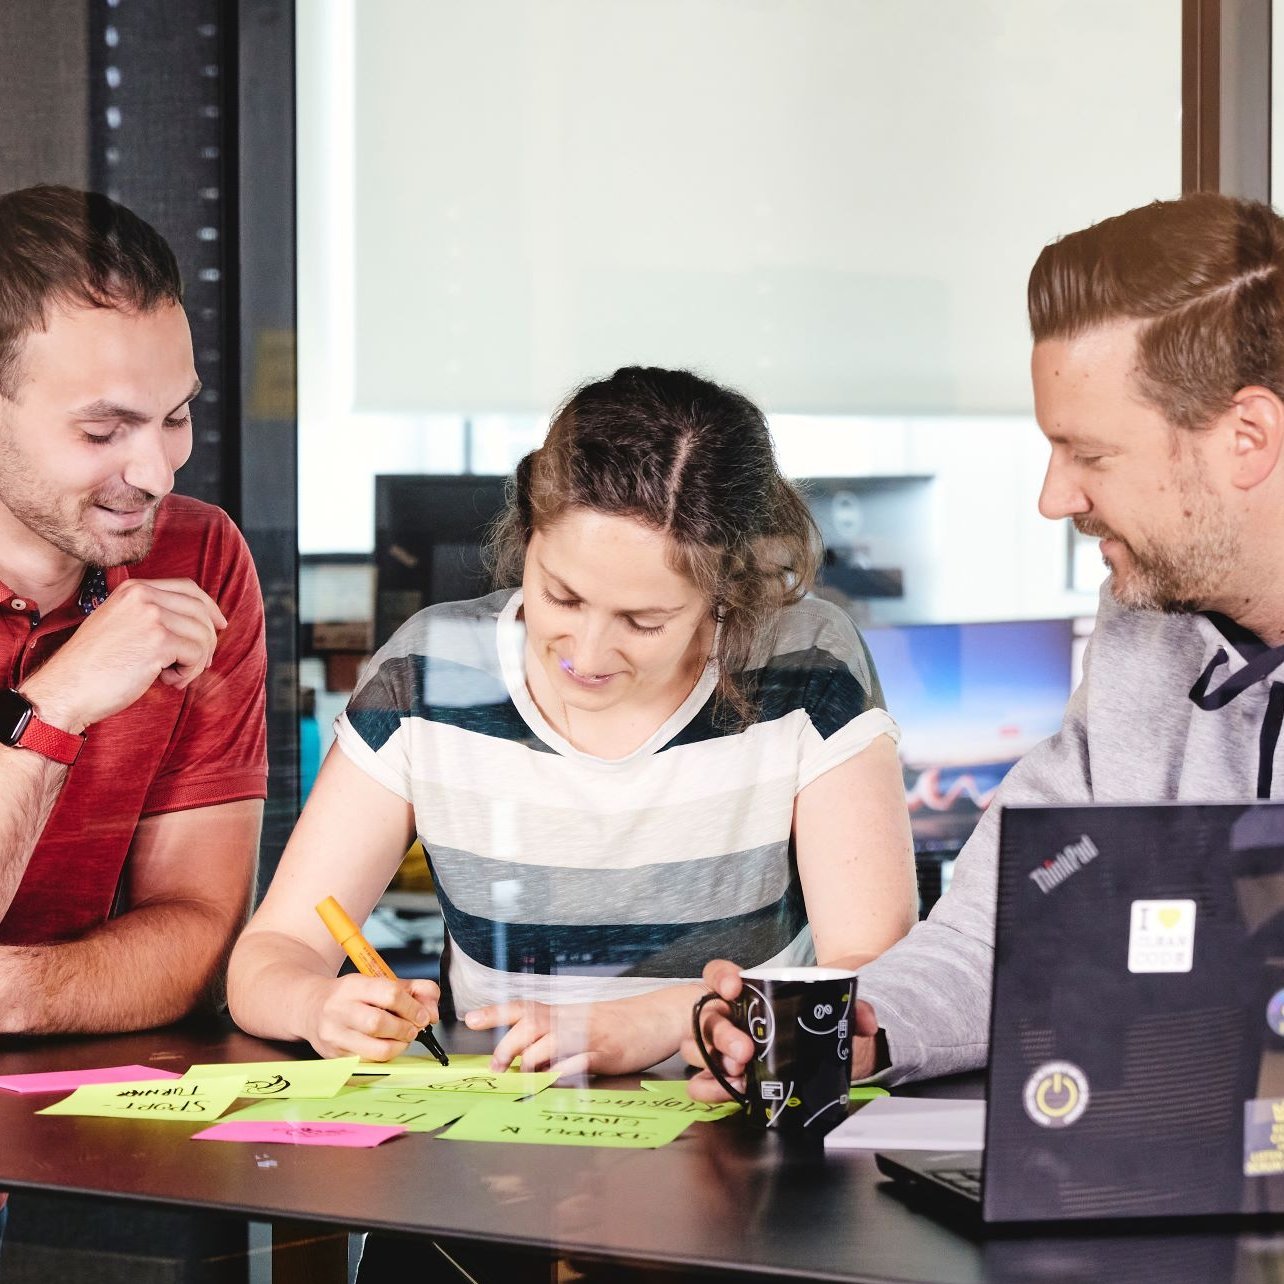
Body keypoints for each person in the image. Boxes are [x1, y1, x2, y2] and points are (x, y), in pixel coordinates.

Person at [687, 191, 1284, 1097]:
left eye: (1091, 454)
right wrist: (858, 1030)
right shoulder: (1146, 640)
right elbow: (1001, 930)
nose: (1055, 497)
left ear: (1247, 439)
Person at [228, 365, 917, 1074]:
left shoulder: (807, 662)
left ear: (730, 589)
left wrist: (669, 1021)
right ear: (527, 533)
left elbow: (879, 986)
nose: (587, 653)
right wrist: (317, 1007)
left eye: (643, 621)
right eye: (561, 595)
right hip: (502, 1141)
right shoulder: (429, 674)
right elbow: (272, 952)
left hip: (742, 1138)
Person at [0, 184, 267, 1036]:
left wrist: (16, 994)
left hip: (78, 1109)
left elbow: (199, 936)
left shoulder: (200, 554)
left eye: (178, 416)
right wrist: (58, 706)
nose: (158, 473)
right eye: (102, 431)